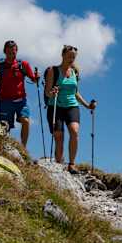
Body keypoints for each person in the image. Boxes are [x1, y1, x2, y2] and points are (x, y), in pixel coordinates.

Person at [45, 45, 97, 174]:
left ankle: (72, 164)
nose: (71, 58)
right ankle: (58, 163)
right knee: (59, 136)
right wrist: (53, 92)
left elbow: (76, 93)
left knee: (74, 131)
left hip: (71, 106)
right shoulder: (53, 70)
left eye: (73, 57)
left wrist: (87, 106)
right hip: (55, 105)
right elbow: (47, 92)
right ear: (63, 55)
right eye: (69, 56)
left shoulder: (75, 72)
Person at [0, 40, 39, 149]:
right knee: (4, 127)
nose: (11, 55)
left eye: (13, 52)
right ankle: (4, 148)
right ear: (4, 52)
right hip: (5, 101)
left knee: (25, 121)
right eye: (9, 52)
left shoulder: (23, 65)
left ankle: (23, 148)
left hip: (20, 100)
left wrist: (36, 77)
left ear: (16, 52)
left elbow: (34, 80)